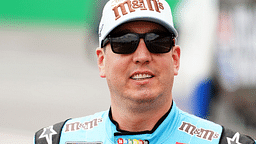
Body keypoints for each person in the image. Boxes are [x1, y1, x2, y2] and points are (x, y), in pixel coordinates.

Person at [34, 0, 256, 144]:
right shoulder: (58, 139)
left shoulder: (224, 142)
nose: (142, 55)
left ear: (176, 58)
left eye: (157, 42)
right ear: (101, 61)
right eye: (124, 42)